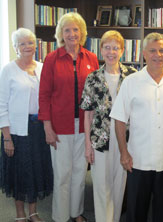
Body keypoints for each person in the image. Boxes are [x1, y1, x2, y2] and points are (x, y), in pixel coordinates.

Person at [110, 32, 163, 222]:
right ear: (144, 54)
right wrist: (124, 152)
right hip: (138, 159)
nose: (158, 55)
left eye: (162, 50)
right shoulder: (131, 82)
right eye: (153, 50)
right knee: (136, 210)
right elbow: (119, 120)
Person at [38, 12, 99, 222]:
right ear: (61, 34)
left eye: (75, 29)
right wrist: (47, 127)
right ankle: (61, 216)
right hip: (59, 126)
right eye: (67, 30)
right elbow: (44, 95)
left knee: (80, 173)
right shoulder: (51, 59)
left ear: (81, 33)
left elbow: (96, 94)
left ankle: (76, 212)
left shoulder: (91, 58)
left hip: (85, 126)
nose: (72, 34)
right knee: (63, 175)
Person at [80, 30, 137, 222]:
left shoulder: (132, 76)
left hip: (125, 141)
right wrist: (87, 145)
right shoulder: (92, 78)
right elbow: (87, 115)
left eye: (115, 48)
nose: (111, 52)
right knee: (102, 186)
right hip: (100, 140)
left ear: (122, 50)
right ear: (101, 50)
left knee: (119, 185)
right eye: (107, 47)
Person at [0, 28, 53, 222]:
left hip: (39, 129)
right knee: (19, 172)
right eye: (22, 43)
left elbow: (48, 98)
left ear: (35, 45)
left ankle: (33, 211)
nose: (27, 46)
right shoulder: (8, 70)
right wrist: (7, 137)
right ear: (15, 47)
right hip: (16, 131)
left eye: (30, 42)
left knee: (36, 170)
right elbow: (1, 105)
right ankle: (20, 213)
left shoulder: (42, 67)